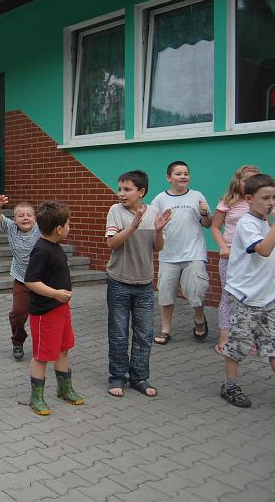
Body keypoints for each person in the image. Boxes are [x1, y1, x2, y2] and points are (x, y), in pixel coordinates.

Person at [220, 173, 275, 413]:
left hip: (267, 298)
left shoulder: (262, 221)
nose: (271, 203)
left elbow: (264, 253)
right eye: (265, 198)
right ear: (249, 199)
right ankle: (230, 386)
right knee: (238, 345)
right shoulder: (247, 223)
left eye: (274, 197)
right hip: (246, 297)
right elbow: (264, 249)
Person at [105, 170, 170, 398]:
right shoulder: (115, 211)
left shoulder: (153, 213)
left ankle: (139, 377)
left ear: (141, 192)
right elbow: (112, 243)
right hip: (119, 281)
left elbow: (158, 247)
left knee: (144, 334)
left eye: (127, 189)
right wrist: (132, 227)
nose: (121, 194)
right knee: (119, 334)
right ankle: (117, 376)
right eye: (120, 189)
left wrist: (159, 231)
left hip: (144, 284)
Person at [23, 201, 83, 415]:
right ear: (58, 228)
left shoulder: (55, 247)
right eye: (68, 224)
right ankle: (36, 398)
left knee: (63, 349)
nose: (69, 228)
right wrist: (55, 294)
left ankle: (64, 388)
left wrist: (60, 298)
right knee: (42, 355)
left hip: (61, 310)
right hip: (45, 313)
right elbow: (31, 281)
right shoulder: (41, 250)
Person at [151, 161, 212, 345]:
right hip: (168, 255)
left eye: (186, 173)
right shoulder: (160, 199)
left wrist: (205, 213)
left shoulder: (197, 196)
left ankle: (199, 319)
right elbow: (153, 223)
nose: (183, 176)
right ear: (169, 178)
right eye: (178, 174)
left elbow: (207, 224)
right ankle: (165, 330)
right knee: (165, 294)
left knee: (196, 290)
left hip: (194, 253)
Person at [210, 165, 261, 354]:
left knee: (251, 297)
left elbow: (265, 229)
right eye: (246, 180)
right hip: (230, 256)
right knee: (228, 296)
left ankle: (248, 338)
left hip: (252, 256)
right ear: (238, 181)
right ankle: (225, 338)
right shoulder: (227, 202)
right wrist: (223, 247)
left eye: (255, 179)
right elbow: (215, 227)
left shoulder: (259, 203)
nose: (250, 183)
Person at [0, 193, 41, 360]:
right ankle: (17, 341)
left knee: (43, 315)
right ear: (15, 219)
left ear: (35, 218)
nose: (25, 218)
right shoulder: (11, 228)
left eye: (29, 215)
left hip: (41, 280)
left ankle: (43, 344)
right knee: (18, 313)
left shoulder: (40, 228)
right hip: (21, 279)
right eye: (21, 215)